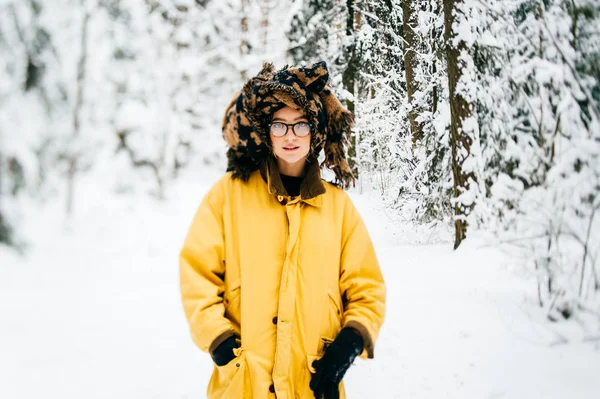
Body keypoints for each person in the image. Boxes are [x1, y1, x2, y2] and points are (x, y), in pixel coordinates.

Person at [180, 61, 386, 399]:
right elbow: (196, 273)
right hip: (244, 383)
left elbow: (368, 289)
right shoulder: (228, 196)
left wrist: (351, 340)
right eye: (280, 126)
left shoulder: (338, 209)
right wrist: (217, 338)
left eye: (300, 125)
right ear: (266, 132)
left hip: (313, 383)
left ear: (315, 131)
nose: (290, 136)